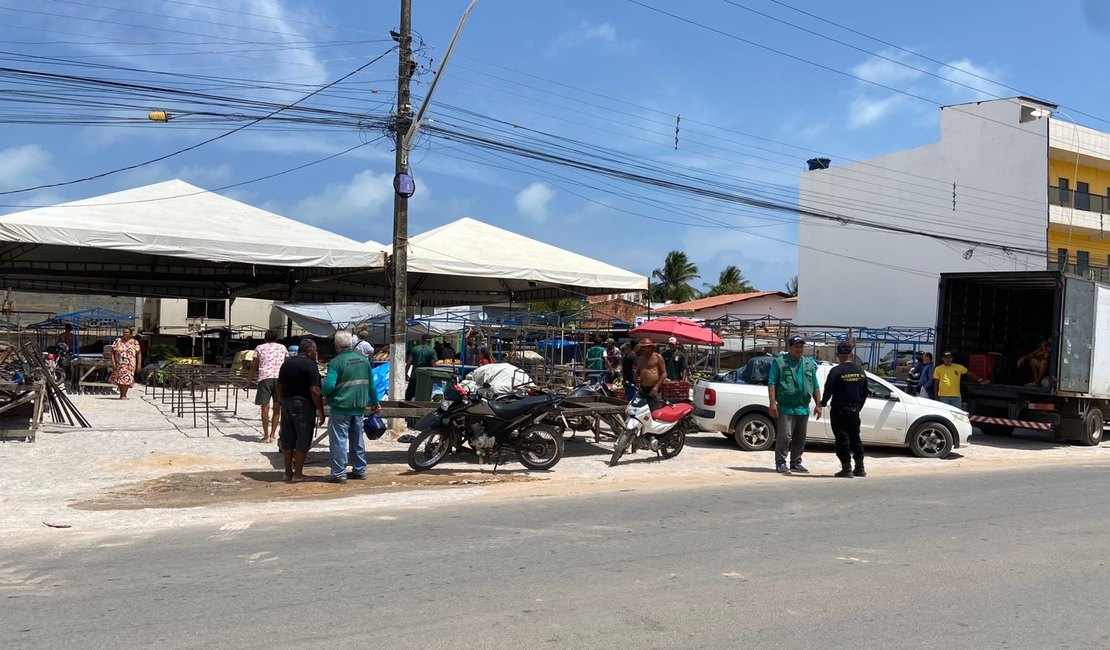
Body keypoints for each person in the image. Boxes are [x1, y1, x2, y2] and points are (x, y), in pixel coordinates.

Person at [321, 331, 381, 484]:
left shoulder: (335, 363)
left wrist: (321, 393)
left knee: (339, 441)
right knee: (357, 440)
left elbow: (329, 386)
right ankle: (359, 470)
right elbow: (372, 386)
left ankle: (339, 473)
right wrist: (375, 403)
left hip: (341, 407)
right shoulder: (364, 361)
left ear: (336, 346)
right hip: (359, 407)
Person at [768, 335, 822, 475]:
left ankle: (796, 463)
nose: (800, 349)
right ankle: (780, 463)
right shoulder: (780, 362)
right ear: (790, 348)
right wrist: (772, 403)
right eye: (797, 346)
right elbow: (772, 382)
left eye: (801, 347)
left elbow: (815, 385)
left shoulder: (808, 364)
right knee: (784, 436)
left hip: (803, 407)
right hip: (786, 407)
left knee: (800, 437)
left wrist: (818, 404)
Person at [276, 339, 323, 483]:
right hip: (303, 405)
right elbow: (314, 390)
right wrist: (320, 410)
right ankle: (298, 474)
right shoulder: (310, 365)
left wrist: (281, 401)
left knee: (288, 438)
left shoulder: (287, 363)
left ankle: (288, 473)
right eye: (315, 350)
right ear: (309, 352)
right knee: (303, 438)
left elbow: (279, 385)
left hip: (287, 404)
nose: (316, 353)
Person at [820, 342, 869, 478]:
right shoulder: (860, 371)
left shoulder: (836, 371)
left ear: (837, 355)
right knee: (855, 438)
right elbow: (865, 392)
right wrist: (859, 407)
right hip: (854, 410)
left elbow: (828, 390)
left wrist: (822, 403)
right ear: (852, 355)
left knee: (842, 439)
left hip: (839, 410)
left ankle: (846, 468)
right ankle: (860, 467)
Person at [249, 329, 288, 444]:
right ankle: (273, 435)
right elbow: (286, 364)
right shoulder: (283, 348)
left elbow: (254, 367)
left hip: (265, 378)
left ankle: (265, 436)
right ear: (277, 338)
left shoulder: (259, 348)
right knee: (277, 408)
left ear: (265, 338)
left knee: (264, 408)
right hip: (280, 379)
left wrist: (248, 381)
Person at [633, 338, 667, 409]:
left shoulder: (658, 357)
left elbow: (664, 373)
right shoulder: (641, 358)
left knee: (655, 410)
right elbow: (637, 371)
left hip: (654, 388)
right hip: (643, 389)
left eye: (645, 347)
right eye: (642, 347)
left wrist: (656, 387)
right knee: (644, 411)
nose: (643, 349)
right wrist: (637, 378)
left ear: (651, 347)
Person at [110, 327, 142, 400]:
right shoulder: (118, 341)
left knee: (127, 379)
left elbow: (139, 353)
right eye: (124, 332)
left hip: (130, 365)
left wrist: (139, 364)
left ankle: (124, 395)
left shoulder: (135, 342)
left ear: (131, 334)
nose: (124, 334)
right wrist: (113, 362)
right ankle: (121, 395)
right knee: (120, 379)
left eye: (126, 332)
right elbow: (112, 352)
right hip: (119, 364)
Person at [405, 334, 438, 401]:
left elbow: (409, 362)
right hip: (425, 378)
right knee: (423, 397)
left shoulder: (415, 349)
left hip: (414, 376)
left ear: (422, 340)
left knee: (409, 396)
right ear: (429, 341)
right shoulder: (431, 351)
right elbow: (433, 365)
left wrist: (405, 374)